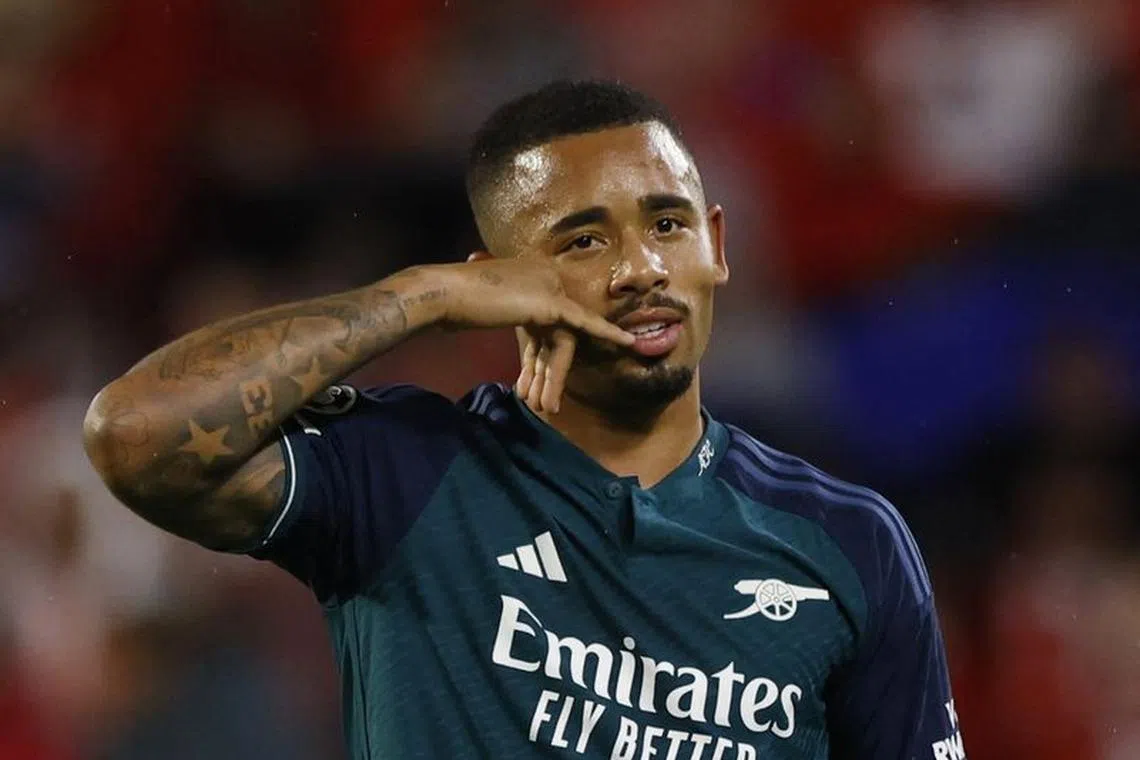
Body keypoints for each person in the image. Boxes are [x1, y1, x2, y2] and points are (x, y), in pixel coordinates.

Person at [83, 80, 966, 760]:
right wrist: (422, 296)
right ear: (497, 281)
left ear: (718, 246)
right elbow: (135, 435)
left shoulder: (845, 542)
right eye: (584, 240)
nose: (641, 268)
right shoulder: (406, 475)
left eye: (667, 224)